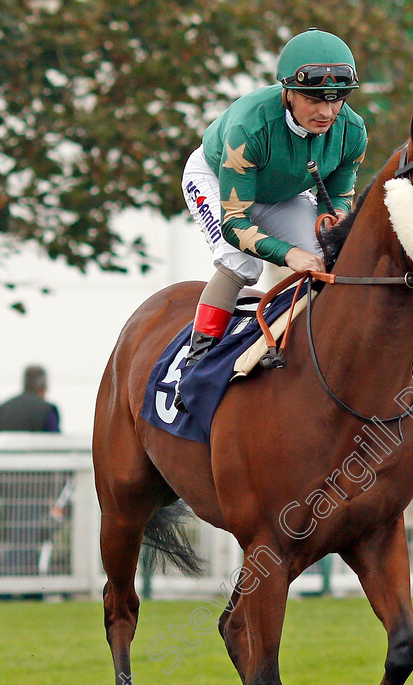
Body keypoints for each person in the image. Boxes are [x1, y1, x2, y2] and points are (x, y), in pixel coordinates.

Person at [175, 27, 368, 408]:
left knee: (326, 260)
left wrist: (334, 227)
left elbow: (339, 202)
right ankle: (195, 367)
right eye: (314, 99)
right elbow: (234, 224)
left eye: (337, 99)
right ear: (288, 92)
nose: (327, 112)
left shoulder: (353, 131)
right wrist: (289, 255)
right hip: (216, 180)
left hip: (282, 193)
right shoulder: (250, 125)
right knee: (241, 262)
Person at [0, 366, 61, 575]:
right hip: (34, 492)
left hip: (5, 490)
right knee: (29, 543)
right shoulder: (47, 410)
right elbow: (58, 452)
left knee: (9, 540)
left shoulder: (1, 409)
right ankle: (27, 590)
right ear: (43, 386)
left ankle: (8, 588)